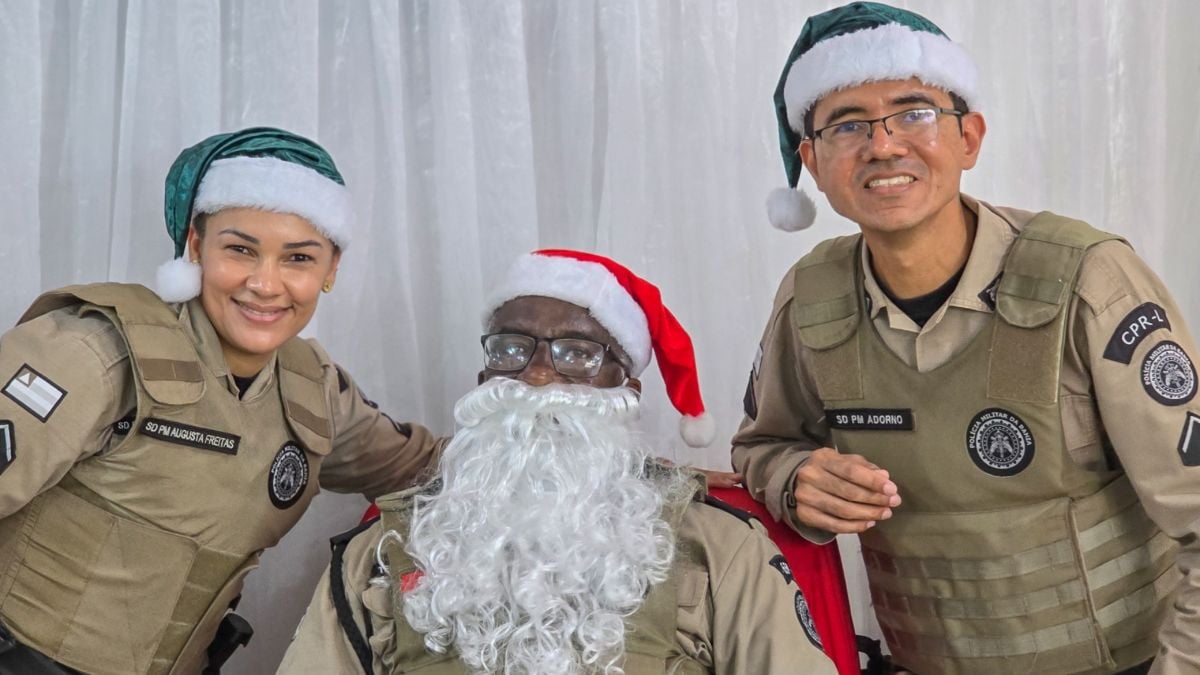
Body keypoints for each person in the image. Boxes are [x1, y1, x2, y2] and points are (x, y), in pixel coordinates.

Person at [733, 3, 1199, 674]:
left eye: (914, 112)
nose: (884, 145)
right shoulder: (811, 297)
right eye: (848, 124)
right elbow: (761, 445)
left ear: (970, 137)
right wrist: (795, 477)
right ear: (811, 159)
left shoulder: (1087, 279)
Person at [0, 127, 444, 674]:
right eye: (240, 250)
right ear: (195, 247)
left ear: (331, 270)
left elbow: (426, 470)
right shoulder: (93, 352)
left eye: (299, 259)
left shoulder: (314, 389)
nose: (265, 284)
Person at [279, 249, 837, 674]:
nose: (538, 376)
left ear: (628, 389)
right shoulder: (376, 551)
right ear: (484, 380)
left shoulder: (719, 545)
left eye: (578, 354)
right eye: (512, 349)